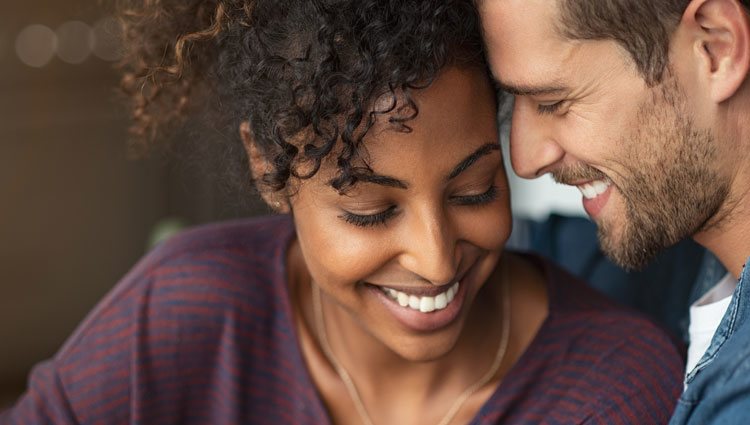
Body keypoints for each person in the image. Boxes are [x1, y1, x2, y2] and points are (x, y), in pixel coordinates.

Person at [1, 1, 684, 424]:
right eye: (369, 211)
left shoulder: (614, 391)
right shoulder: (189, 310)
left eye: (473, 191)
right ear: (269, 171)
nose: (435, 256)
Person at [475, 0, 750, 423]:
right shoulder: (678, 256)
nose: (524, 161)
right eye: (513, 105)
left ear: (716, 48)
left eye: (552, 102)